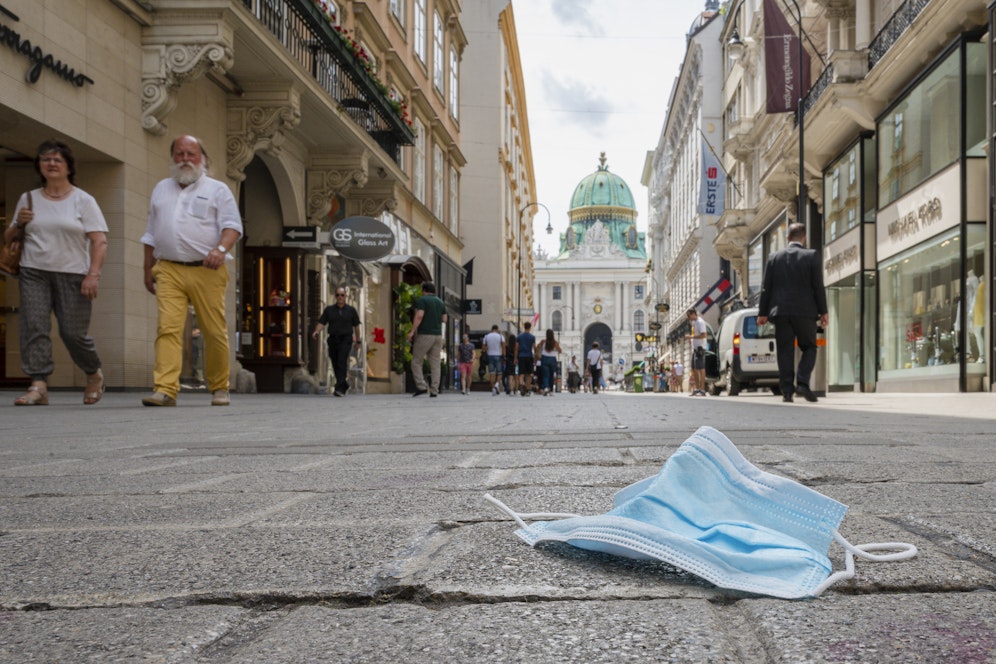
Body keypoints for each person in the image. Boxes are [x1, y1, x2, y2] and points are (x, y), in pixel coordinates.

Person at [141, 135, 243, 407]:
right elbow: (151, 233)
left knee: (213, 331)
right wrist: (147, 268)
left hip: (206, 269)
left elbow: (233, 226)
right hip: (169, 269)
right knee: (168, 329)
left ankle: (220, 388)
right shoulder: (161, 188)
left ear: (203, 159)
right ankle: (165, 389)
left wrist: (220, 250)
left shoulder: (217, 189)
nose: (185, 159)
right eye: (180, 154)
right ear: (173, 158)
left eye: (191, 154)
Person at [6, 140, 108, 406]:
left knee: (73, 333)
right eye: (45, 159)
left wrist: (93, 274)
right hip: (33, 271)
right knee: (34, 326)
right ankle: (38, 384)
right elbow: (9, 238)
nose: (51, 164)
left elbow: (99, 241)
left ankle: (93, 373)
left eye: (57, 160)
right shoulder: (28, 199)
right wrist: (19, 222)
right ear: (39, 165)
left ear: (68, 167)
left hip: (73, 273)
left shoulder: (83, 200)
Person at [758, 222, 829, 403]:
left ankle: (787, 392)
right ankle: (803, 383)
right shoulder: (811, 255)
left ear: (787, 238)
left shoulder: (774, 257)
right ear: (803, 238)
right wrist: (823, 311)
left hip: (781, 312)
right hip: (805, 311)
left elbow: (766, 287)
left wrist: (762, 312)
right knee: (810, 347)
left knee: (784, 351)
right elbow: (817, 286)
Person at [312, 287, 361, 397]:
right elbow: (322, 322)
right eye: (338, 295)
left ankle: (339, 388)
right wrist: (316, 331)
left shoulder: (351, 310)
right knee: (335, 362)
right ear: (335, 296)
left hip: (346, 339)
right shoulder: (329, 310)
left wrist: (358, 341)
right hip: (333, 339)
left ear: (345, 296)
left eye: (342, 295)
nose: (340, 297)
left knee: (341, 361)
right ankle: (343, 384)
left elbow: (356, 326)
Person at [407, 281, 447, 397]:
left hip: (425, 334)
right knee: (435, 363)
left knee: (416, 361)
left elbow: (419, 316)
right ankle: (434, 390)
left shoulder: (423, 300)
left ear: (424, 290)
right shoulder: (440, 302)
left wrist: (412, 331)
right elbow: (444, 319)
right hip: (438, 335)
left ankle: (421, 386)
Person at [685, 308, 708, 396]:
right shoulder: (695, 323)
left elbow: (704, 335)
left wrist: (691, 337)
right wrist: (691, 340)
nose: (688, 318)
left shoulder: (700, 322)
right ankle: (697, 388)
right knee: (694, 369)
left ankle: (702, 389)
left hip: (700, 348)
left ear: (693, 313)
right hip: (695, 349)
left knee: (701, 369)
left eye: (689, 316)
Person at [536, 329, 562, 396]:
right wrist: (555, 350)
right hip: (552, 359)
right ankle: (550, 390)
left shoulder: (543, 341)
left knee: (545, 375)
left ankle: (545, 388)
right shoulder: (555, 342)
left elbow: (537, 347)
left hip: (544, 358)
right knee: (551, 375)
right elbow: (560, 350)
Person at [482, 324, 505, 395]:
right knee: (499, 373)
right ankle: (497, 385)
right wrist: (504, 356)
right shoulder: (501, 336)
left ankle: (493, 389)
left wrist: (486, 350)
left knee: (491, 373)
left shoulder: (486, 336)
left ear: (491, 329)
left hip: (490, 356)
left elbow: (483, 348)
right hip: (498, 355)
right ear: (497, 329)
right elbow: (504, 347)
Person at [516, 321, 537, 396]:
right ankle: (527, 389)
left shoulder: (519, 336)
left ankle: (521, 385)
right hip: (529, 356)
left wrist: (516, 357)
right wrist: (535, 357)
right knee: (529, 374)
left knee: (521, 373)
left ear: (524, 327)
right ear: (530, 327)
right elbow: (535, 348)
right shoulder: (532, 337)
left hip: (521, 356)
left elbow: (516, 348)